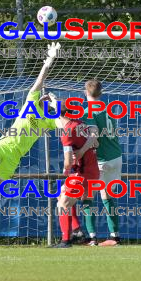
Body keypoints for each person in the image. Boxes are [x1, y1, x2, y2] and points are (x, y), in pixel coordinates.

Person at [0, 43, 60, 208]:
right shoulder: (30, 103)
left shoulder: (48, 121)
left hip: (15, 156)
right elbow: (40, 80)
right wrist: (49, 60)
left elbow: (64, 120)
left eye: (48, 98)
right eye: (45, 95)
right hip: (3, 145)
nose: (45, 96)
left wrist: (56, 104)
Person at [80, 80, 124, 246]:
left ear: (86, 92)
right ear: (101, 93)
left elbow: (94, 136)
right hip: (116, 157)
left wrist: (82, 151)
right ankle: (114, 236)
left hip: (102, 160)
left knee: (87, 195)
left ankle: (91, 238)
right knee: (107, 196)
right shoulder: (109, 110)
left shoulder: (88, 111)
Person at [52, 102, 99, 248]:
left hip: (84, 173)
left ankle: (65, 240)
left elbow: (67, 162)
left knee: (62, 204)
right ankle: (77, 231)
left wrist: (66, 170)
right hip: (91, 170)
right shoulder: (80, 123)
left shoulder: (66, 132)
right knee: (60, 195)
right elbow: (96, 142)